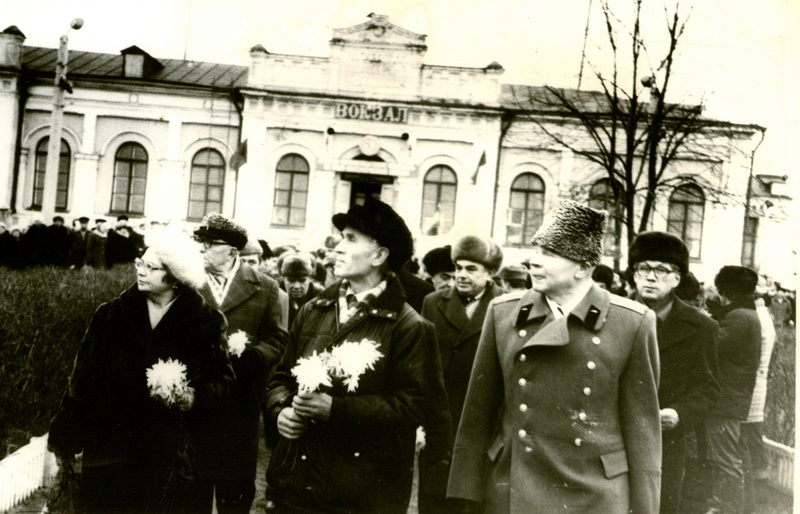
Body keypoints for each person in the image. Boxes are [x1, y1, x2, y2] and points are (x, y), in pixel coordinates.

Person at [448, 200, 661, 513]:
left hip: (595, 495)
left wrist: (645, 507)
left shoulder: (632, 322)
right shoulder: (503, 313)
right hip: (513, 487)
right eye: (536, 251)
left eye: (549, 254)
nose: (535, 262)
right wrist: (465, 494)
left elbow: (643, 430)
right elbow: (476, 416)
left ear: (584, 267)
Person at [264, 197, 439, 513]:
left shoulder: (410, 326)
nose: (338, 247)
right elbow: (280, 377)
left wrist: (336, 409)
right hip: (296, 483)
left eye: (351, 239)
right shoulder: (312, 310)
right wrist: (281, 412)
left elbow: (412, 408)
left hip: (360, 492)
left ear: (380, 255)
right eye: (340, 238)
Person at [47, 230, 235, 513]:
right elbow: (82, 381)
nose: (141, 271)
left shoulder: (206, 322)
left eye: (151, 268)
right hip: (111, 450)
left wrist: (195, 397)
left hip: (171, 455)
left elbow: (223, 379)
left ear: (174, 278)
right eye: (140, 263)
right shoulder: (110, 315)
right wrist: (64, 439)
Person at [193, 213, 288, 514]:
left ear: (233, 251)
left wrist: (256, 356)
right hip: (193, 401)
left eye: (210, 244)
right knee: (190, 489)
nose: (202, 249)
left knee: (234, 492)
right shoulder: (187, 282)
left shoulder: (265, 286)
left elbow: (277, 338)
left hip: (240, 404)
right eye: (200, 242)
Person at [628, 231, 720, 513]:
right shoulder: (613, 316)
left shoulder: (701, 327)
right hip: (612, 439)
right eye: (643, 268)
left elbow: (708, 389)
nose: (651, 277)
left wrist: (679, 413)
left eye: (661, 270)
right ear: (634, 274)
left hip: (665, 445)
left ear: (677, 279)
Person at [418, 235, 505, 513]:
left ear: (491, 273)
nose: (461, 276)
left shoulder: (506, 305)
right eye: (458, 268)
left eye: (471, 269)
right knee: (435, 500)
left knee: (475, 500)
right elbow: (422, 365)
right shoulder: (433, 302)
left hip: (484, 421)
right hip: (440, 419)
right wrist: (420, 422)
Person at [703, 266, 761, 513]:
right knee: (730, 455)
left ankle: (728, 507)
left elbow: (712, 346)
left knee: (725, 459)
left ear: (726, 290)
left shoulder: (738, 317)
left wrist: (705, 320)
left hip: (725, 401)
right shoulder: (747, 314)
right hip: (732, 399)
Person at [741, 278, 777, 512]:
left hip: (752, 383)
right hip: (758, 381)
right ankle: (759, 491)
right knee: (753, 437)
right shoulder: (765, 317)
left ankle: (754, 496)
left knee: (748, 437)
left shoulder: (757, 319)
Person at [240, 238, 290, 328]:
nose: (246, 266)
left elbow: (279, 336)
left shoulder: (279, 295)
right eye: (242, 261)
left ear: (259, 264)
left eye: (252, 262)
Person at [279, 251, 325, 328]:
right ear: (283, 278)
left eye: (302, 280)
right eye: (291, 280)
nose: (297, 286)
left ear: (310, 278)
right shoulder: (275, 294)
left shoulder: (320, 294)